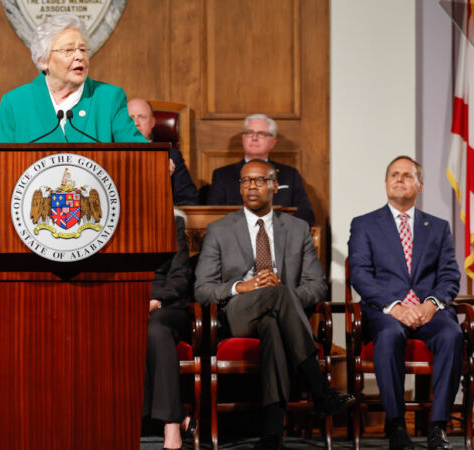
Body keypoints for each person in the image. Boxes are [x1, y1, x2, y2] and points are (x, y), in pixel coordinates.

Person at [194, 159, 353, 449]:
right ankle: (319, 391)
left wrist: (284, 294)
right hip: (238, 312)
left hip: (281, 316)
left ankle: (271, 434)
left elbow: (317, 285)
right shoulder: (219, 230)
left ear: (275, 186)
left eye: (259, 180)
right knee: (278, 297)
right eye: (245, 181)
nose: (251, 186)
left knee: (274, 323)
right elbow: (202, 289)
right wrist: (243, 286)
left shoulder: (297, 228)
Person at [348, 156, 461, 450]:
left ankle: (438, 427)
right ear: (386, 183)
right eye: (393, 175)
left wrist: (430, 305)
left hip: (428, 311)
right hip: (384, 312)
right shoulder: (364, 224)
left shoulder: (437, 227)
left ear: (419, 185)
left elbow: (449, 275)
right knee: (389, 335)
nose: (399, 179)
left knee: (452, 334)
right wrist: (395, 307)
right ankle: (396, 425)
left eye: (407, 175)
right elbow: (360, 275)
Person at [0, 15, 146, 144]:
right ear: (43, 61)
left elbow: (142, 151)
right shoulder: (15, 102)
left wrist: (162, 162)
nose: (79, 56)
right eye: (69, 50)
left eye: (83, 50)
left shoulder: (109, 98)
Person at [144, 210, 196, 450]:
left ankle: (171, 425)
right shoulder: (110, 217)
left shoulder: (171, 221)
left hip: (166, 305)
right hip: (122, 300)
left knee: (156, 330)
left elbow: (180, 276)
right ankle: (181, 414)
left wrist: (156, 300)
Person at [205, 114, 314, 225]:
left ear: (273, 142)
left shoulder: (290, 175)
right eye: (249, 133)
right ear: (243, 139)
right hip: (236, 237)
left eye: (261, 134)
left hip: (280, 236)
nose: (254, 138)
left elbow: (306, 215)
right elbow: (213, 216)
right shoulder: (223, 175)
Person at [127, 98, 199, 206]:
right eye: (130, 118)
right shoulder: (108, 155)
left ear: (152, 122)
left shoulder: (171, 155)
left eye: (142, 117)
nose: (136, 123)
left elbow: (189, 200)